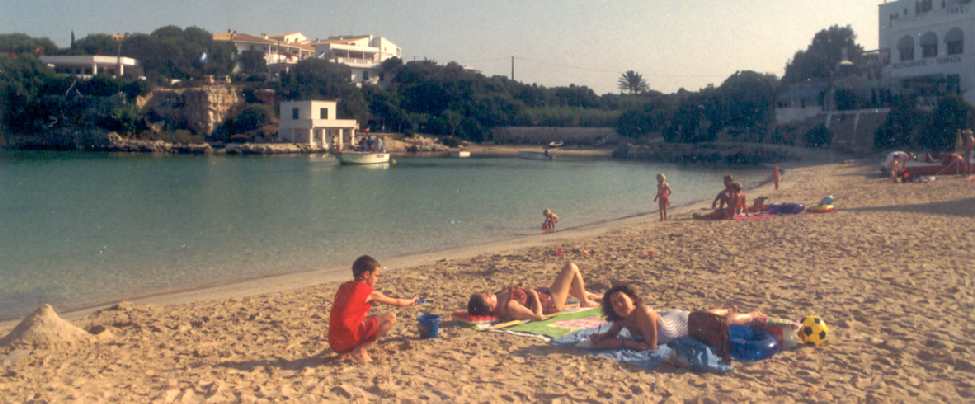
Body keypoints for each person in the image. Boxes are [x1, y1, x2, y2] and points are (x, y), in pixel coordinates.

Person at [588, 284, 767, 351]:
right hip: (667, 317)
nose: (618, 305)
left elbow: (651, 347)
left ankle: (751, 315)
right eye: (614, 303)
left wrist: (627, 343)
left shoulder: (643, 312)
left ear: (633, 300)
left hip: (682, 323)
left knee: (723, 322)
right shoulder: (620, 318)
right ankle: (722, 310)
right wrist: (601, 337)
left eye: (621, 300)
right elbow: (610, 336)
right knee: (706, 314)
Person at [328, 255, 416, 363]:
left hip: (335, 344)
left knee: (360, 318)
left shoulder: (344, 286)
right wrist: (412, 301)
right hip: (348, 339)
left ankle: (347, 351)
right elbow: (398, 302)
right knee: (390, 317)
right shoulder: (369, 292)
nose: (377, 279)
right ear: (366, 274)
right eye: (376, 275)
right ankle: (361, 349)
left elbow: (348, 310)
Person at [467, 262, 602, 321]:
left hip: (545, 294)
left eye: (483, 293)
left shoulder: (498, 297)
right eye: (485, 296)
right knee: (571, 268)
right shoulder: (510, 306)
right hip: (551, 302)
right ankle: (585, 302)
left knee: (574, 289)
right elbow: (537, 316)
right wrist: (533, 295)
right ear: (490, 307)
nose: (486, 293)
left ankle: (596, 298)